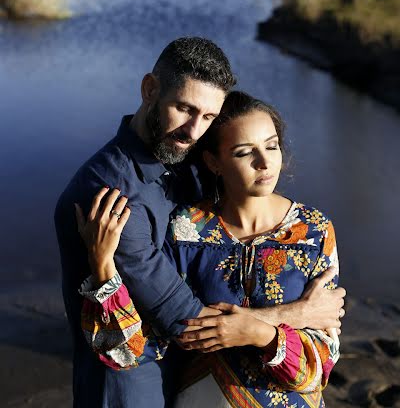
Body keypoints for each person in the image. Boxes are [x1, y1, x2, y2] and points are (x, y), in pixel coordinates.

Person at [77, 91, 343, 408]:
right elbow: (135, 349)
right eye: (245, 153)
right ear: (213, 162)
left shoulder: (314, 230)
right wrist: (103, 266)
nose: (264, 162)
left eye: (271, 146)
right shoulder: (186, 230)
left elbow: (322, 364)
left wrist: (263, 335)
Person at [55, 37, 235, 408]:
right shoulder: (108, 193)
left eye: (209, 117)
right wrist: (293, 316)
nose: (194, 131)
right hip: (127, 387)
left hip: (173, 375)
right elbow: (187, 322)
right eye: (184, 108)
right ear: (149, 89)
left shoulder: (180, 159)